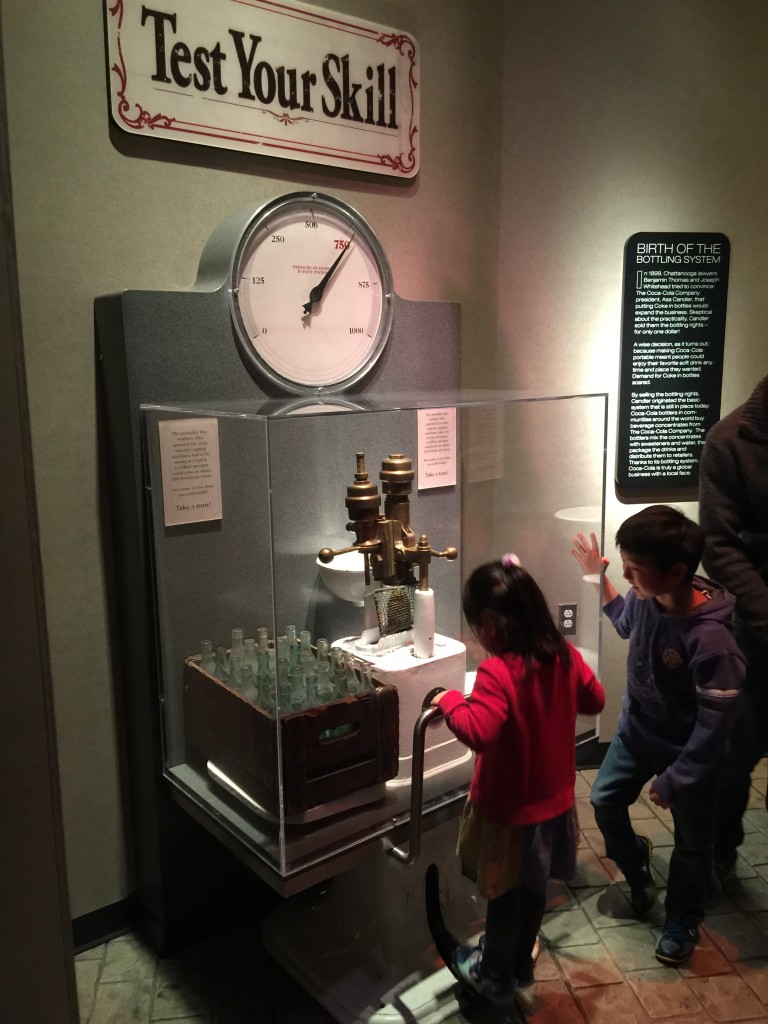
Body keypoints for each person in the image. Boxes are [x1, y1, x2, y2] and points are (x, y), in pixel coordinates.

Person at [571, 505, 745, 967]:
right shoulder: (648, 600)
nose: (625, 574)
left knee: (692, 842)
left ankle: (683, 918)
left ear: (676, 572)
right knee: (605, 800)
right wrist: (597, 577)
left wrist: (678, 778)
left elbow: (714, 726)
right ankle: (636, 868)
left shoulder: (712, 642)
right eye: (623, 563)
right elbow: (626, 621)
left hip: (690, 752)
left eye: (635, 568)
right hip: (638, 733)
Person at [430, 554, 605, 1007]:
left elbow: (479, 731)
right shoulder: (563, 655)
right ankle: (521, 965)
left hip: (510, 813)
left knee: (502, 898)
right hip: (555, 805)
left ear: (490, 624)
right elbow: (596, 699)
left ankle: (493, 978)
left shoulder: (497, 672)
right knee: (532, 892)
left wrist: (450, 701)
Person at [699, 374, 768, 880]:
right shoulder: (730, 441)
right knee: (734, 750)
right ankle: (717, 853)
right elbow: (719, 545)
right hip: (757, 628)